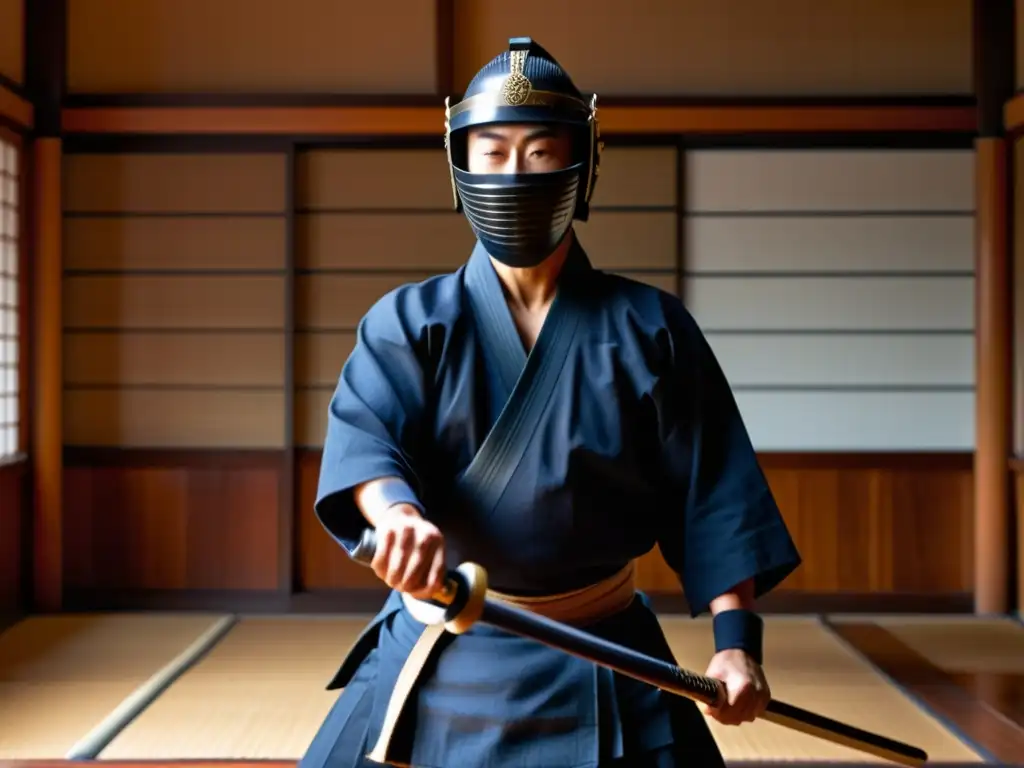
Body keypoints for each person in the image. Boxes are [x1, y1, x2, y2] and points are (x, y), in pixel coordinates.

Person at [299, 37, 802, 768]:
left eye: (539, 151)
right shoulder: (409, 322)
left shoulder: (651, 329)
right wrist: (397, 516)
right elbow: (371, 441)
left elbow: (715, 496)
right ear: (460, 164)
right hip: (442, 642)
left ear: (582, 163)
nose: (515, 173)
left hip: (603, 653)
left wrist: (736, 649)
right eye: (493, 151)